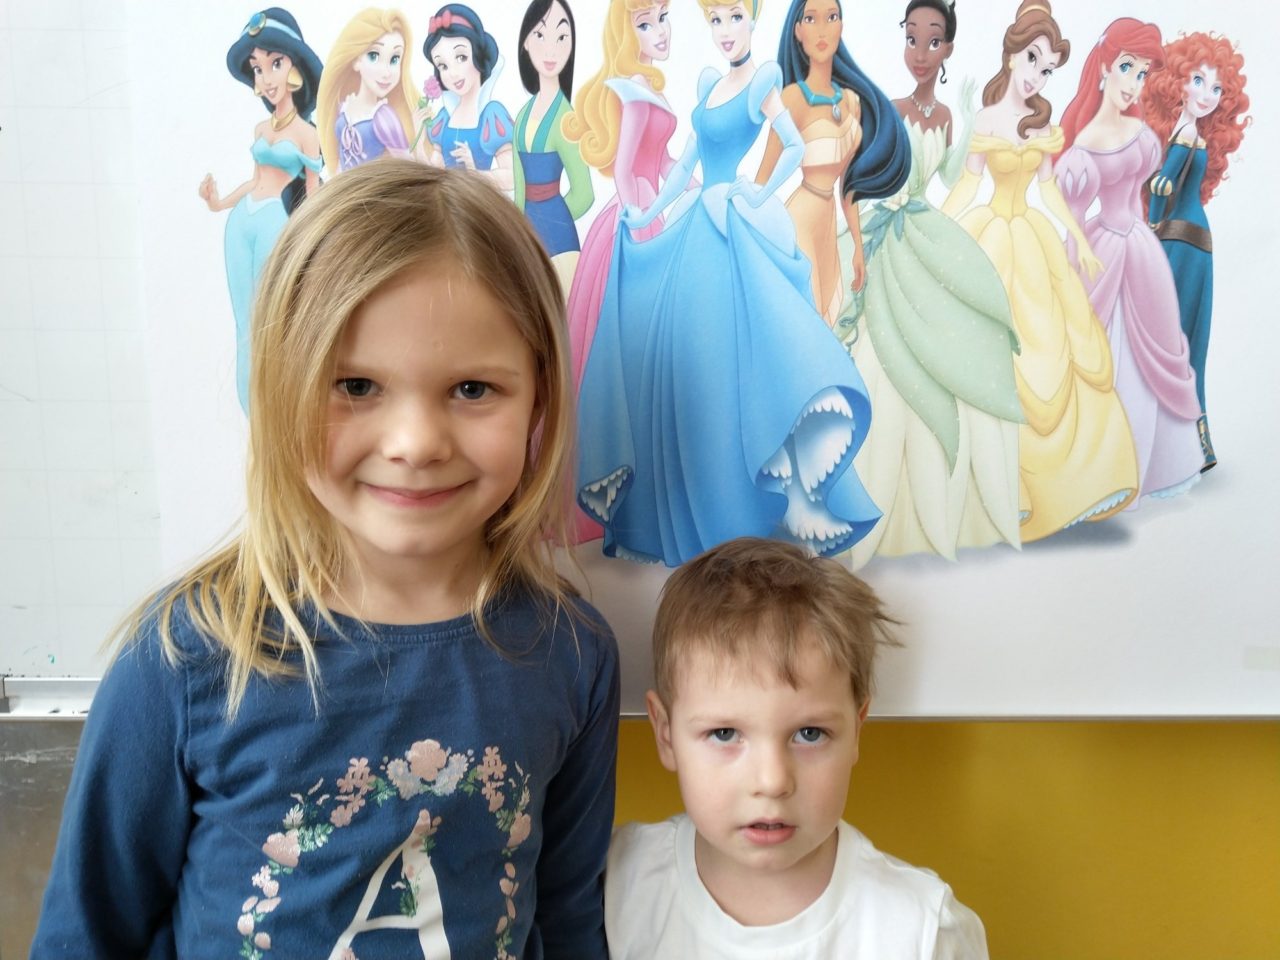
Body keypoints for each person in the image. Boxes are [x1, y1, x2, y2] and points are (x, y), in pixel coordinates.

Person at [31, 162, 620, 959]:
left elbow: (569, 921)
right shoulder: (185, 657)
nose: (415, 444)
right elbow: (85, 938)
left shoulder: (574, 654)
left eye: (473, 390)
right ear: (283, 389)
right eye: (357, 386)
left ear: (540, 397)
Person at [576, 0, 881, 566]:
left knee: (736, 362)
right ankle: (693, 518)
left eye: (735, 17)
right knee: (688, 365)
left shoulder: (763, 78)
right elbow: (683, 165)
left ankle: (747, 504)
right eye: (715, 20)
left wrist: (757, 193)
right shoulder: (708, 84)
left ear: (753, 20)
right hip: (697, 226)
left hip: (731, 226)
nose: (724, 31)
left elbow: (793, 146)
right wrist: (647, 216)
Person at [606, 537, 989, 958]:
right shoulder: (617, 884)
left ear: (856, 730)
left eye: (809, 733)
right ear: (665, 734)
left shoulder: (921, 930)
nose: (772, 781)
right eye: (725, 734)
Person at [942, 0, 1138, 543]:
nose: (1036, 76)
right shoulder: (985, 120)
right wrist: (935, 227)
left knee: (1054, 349)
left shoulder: (1043, 124)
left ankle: (1072, 484)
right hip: (990, 240)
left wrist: (1079, 238)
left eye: (1048, 69)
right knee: (988, 355)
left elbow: (1048, 189)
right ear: (1011, 54)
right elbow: (968, 185)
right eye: (1032, 59)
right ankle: (995, 491)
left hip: (1033, 242)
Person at [842, 0, 1024, 566]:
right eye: (912, 39)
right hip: (887, 232)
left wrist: (965, 122)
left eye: (934, 41)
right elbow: (863, 177)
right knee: (879, 352)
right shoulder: (889, 109)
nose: (921, 52)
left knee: (956, 341)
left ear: (948, 49)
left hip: (923, 227)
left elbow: (945, 175)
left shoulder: (944, 117)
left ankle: (947, 499)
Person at [1055, 18, 1202, 503]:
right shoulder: (1081, 148)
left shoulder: (1141, 134)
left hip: (1140, 250)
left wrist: (1150, 246)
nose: (1134, 83)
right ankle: (1102, 473)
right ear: (1103, 66)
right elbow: (1074, 222)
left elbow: (1138, 203)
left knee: (1153, 349)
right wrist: (1072, 281)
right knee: (1105, 357)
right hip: (1099, 255)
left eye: (1141, 74)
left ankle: (1153, 465)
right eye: (1126, 68)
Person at [559, 0, 681, 544]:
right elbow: (628, 170)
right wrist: (648, 221)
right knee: (627, 357)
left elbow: (664, 161)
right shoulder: (631, 91)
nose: (660, 31)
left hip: (652, 213)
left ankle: (648, 491)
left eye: (663, 18)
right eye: (645, 23)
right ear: (626, 33)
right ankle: (618, 491)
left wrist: (698, 188)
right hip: (632, 226)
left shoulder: (650, 86)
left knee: (652, 359)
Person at [198, 8, 323, 413]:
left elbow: (313, 191)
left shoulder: (307, 134)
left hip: (276, 223)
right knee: (245, 322)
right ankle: (251, 411)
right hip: (243, 221)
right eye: (257, 68)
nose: (266, 78)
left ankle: (278, 407)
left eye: (275, 64)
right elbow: (255, 180)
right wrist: (219, 203)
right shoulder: (260, 130)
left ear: (295, 68)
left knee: (275, 319)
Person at [756, 0, 910, 326]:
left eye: (832, 17)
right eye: (811, 19)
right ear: (798, 31)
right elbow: (763, 177)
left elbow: (847, 186)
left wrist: (857, 246)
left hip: (827, 223)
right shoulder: (793, 99)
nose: (822, 30)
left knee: (827, 314)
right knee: (807, 315)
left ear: (842, 25)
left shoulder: (852, 102)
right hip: (798, 220)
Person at [1142, 31, 1250, 470]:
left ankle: (1173, 446)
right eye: (1198, 81)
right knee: (1186, 343)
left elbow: (1161, 185)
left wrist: (1151, 227)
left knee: (1173, 342)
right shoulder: (1188, 133)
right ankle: (1194, 445)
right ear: (1177, 82)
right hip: (1193, 242)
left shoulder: (1186, 133)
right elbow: (1165, 184)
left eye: (1217, 87)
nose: (1207, 94)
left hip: (1181, 241)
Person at [514, 0, 594, 284]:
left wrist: (551, 222)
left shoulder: (565, 119)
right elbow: (519, 191)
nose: (551, 50)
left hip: (560, 246)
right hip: (527, 242)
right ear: (525, 42)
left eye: (561, 37)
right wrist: (520, 231)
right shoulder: (522, 115)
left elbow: (584, 194)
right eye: (540, 35)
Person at [315, 8, 421, 177]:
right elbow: (340, 164)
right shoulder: (344, 106)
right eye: (374, 56)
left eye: (394, 59)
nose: (386, 72)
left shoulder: (384, 116)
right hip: (343, 187)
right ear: (356, 61)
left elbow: (407, 167)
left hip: (371, 190)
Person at [423, 4, 516, 191]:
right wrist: (417, 142)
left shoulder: (491, 114)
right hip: (446, 203)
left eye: (461, 57)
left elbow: (512, 177)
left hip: (477, 204)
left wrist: (473, 171)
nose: (453, 73)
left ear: (479, 54)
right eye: (443, 66)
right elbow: (433, 172)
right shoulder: (445, 116)